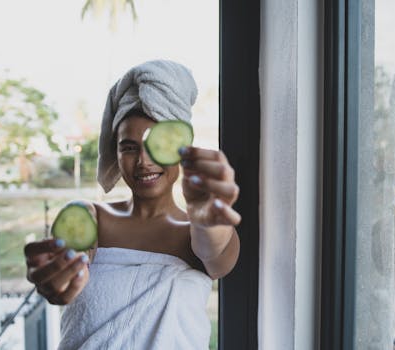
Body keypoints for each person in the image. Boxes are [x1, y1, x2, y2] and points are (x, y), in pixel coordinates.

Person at [23, 60, 241, 349]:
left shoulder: (197, 232)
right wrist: (56, 282)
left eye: (157, 145)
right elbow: (67, 270)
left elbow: (217, 251)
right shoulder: (91, 218)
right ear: (115, 152)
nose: (143, 161)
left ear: (182, 149)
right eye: (129, 147)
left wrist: (207, 221)